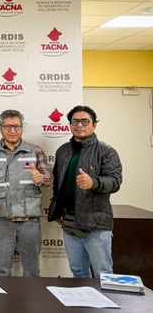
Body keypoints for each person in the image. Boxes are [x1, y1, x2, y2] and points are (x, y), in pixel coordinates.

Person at [48, 105, 122, 279]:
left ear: (94, 125)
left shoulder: (106, 151)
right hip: (69, 223)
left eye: (84, 121)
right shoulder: (63, 151)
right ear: (70, 125)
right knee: (79, 273)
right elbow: (58, 184)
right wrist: (56, 210)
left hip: (96, 224)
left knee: (103, 274)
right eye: (75, 121)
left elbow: (115, 182)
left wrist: (93, 182)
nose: (79, 125)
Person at [0, 109, 53, 277]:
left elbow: (49, 179)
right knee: (2, 271)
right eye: (7, 126)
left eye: (17, 126)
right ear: (0, 128)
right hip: (1, 221)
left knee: (32, 271)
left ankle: (31, 295)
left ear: (22, 128)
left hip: (30, 221)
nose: (12, 131)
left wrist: (40, 178)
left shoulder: (35, 151)